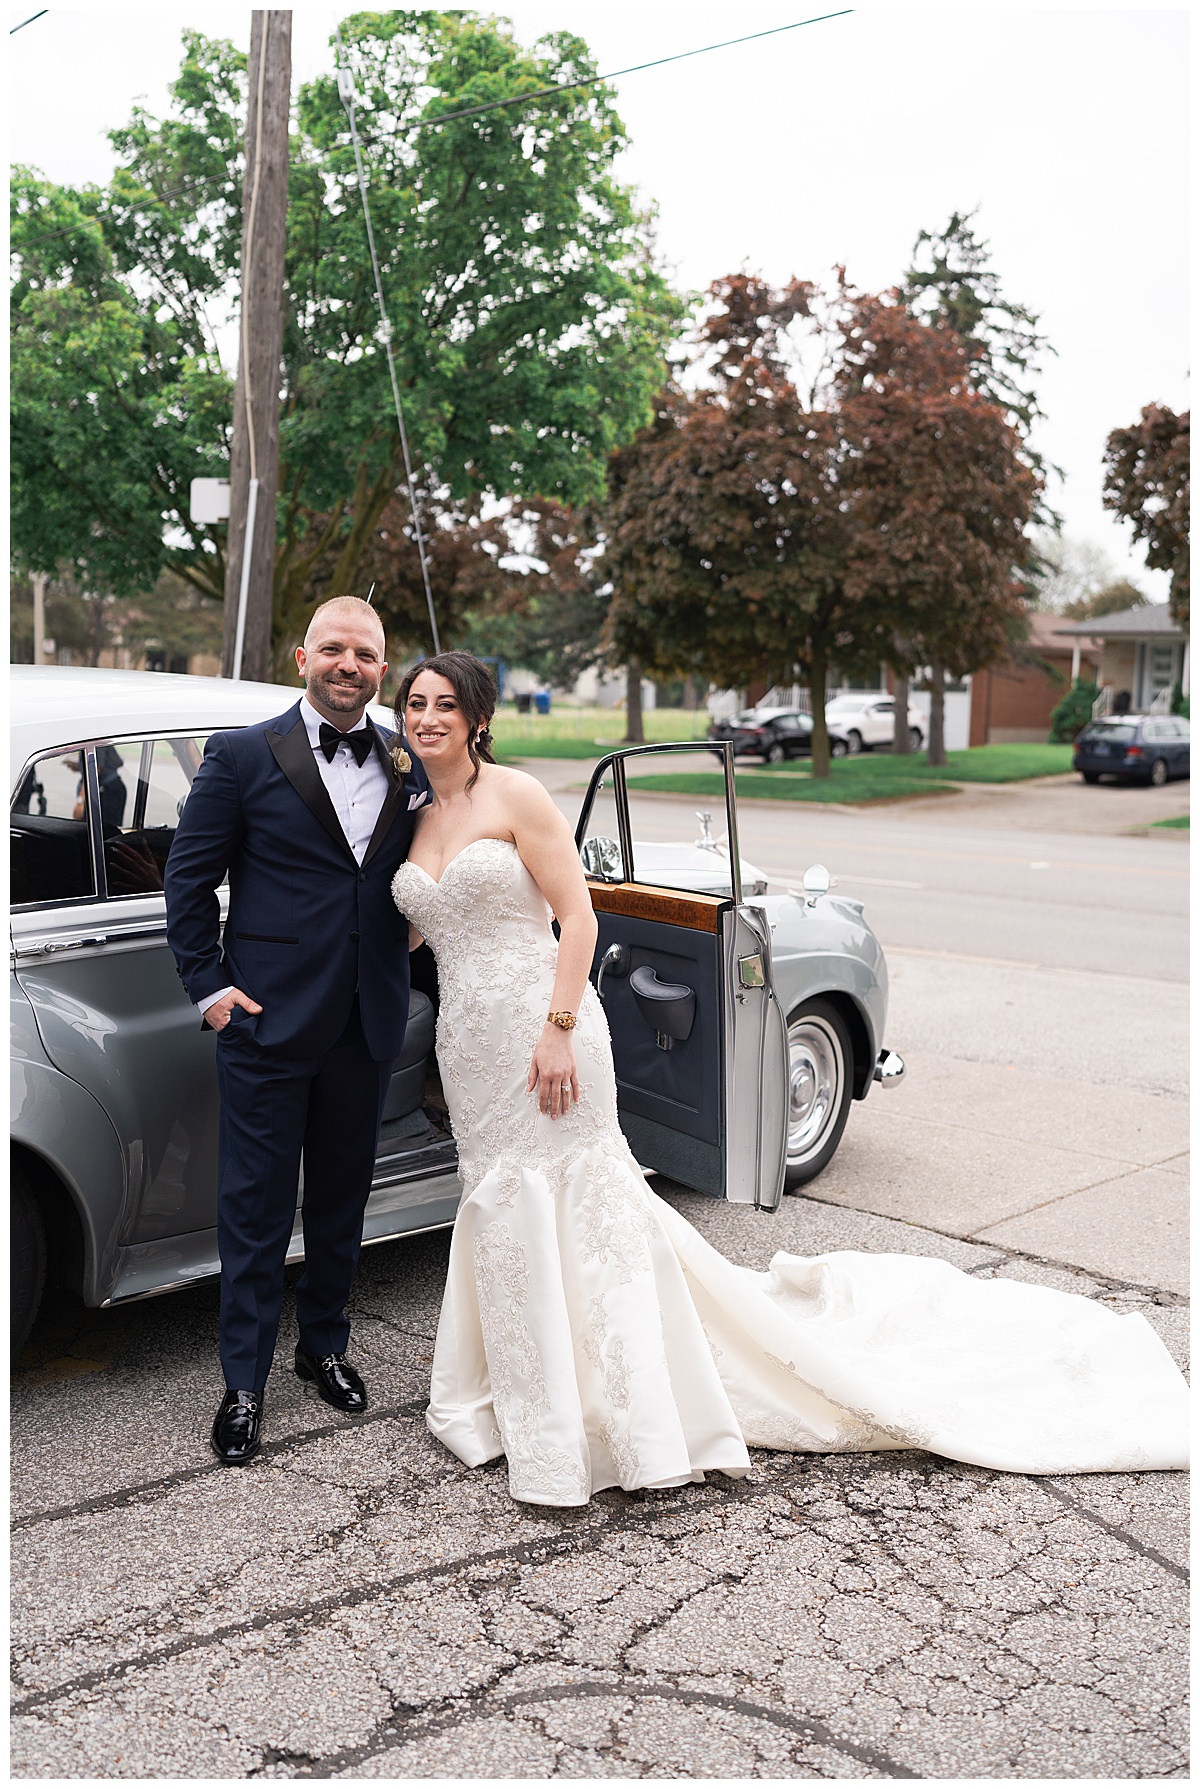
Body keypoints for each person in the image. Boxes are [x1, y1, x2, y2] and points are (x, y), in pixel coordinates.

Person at [390, 652, 1189, 1508]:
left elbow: (580, 915)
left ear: (478, 718)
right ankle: (524, 1391)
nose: (427, 716)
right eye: (414, 704)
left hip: (546, 1031)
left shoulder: (516, 796)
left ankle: (618, 1408)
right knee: (503, 1205)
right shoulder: (410, 817)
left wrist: (555, 1031)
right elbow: (414, 928)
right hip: (467, 1049)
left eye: (445, 704)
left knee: (579, 1202)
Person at [165, 597, 430, 1465]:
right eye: (332, 649)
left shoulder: (406, 755)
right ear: (301, 656)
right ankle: (243, 1382)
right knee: (255, 1206)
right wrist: (210, 988)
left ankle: (325, 1345)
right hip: (266, 1022)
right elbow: (188, 883)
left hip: (365, 1020)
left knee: (344, 1197)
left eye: (364, 653)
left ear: (382, 668)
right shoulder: (241, 755)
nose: (347, 663)